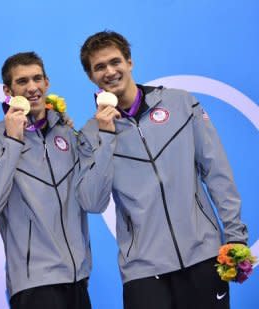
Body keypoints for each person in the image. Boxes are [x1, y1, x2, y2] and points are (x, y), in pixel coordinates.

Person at [79, 30, 249, 309]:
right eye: (99, 67)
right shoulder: (89, 134)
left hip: (202, 257)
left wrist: (235, 237)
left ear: (129, 62)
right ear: (91, 77)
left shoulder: (180, 102)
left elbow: (217, 172)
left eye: (115, 62)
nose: (109, 71)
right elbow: (92, 202)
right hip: (142, 270)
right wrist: (106, 137)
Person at [0, 52, 115, 309]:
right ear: (8, 90)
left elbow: (92, 202)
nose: (32, 88)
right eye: (22, 81)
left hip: (78, 279)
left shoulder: (67, 133)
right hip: (33, 286)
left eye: (37, 79)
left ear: (47, 83)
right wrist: (13, 142)